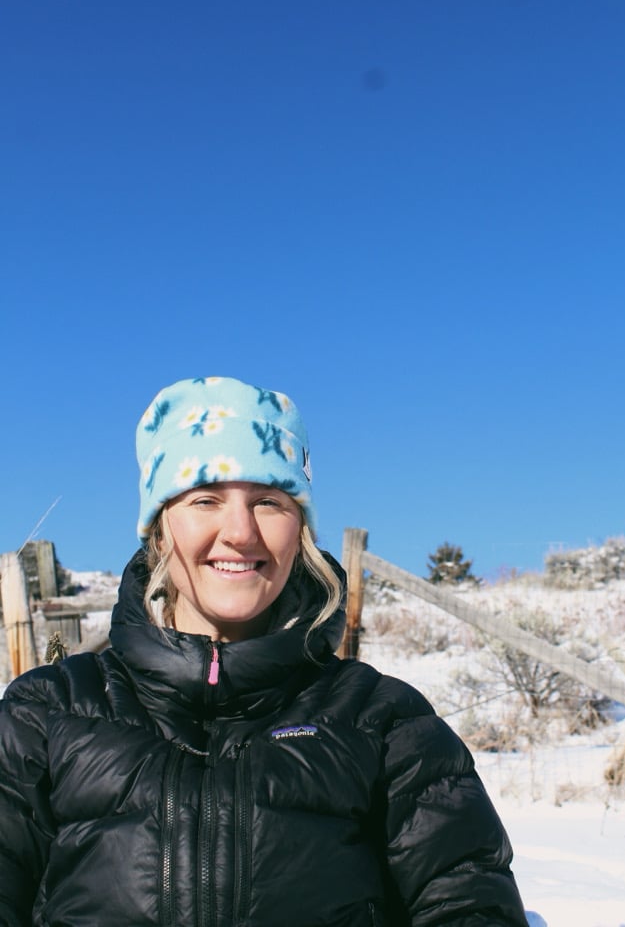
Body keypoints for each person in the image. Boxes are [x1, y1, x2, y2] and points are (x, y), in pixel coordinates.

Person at [0, 376, 528, 926]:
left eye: (269, 502)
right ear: (159, 529)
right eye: (205, 499)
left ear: (300, 529)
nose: (240, 532)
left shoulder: (384, 722)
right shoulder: (46, 714)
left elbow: (469, 903)